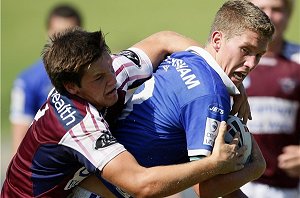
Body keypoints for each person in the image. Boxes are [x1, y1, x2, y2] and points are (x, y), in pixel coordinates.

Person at [1, 28, 248, 197]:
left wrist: (224, 80)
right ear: (72, 87)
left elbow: (165, 39)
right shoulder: (79, 126)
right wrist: (214, 164)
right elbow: (141, 184)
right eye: (99, 77)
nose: (112, 80)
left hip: (77, 184)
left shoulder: (108, 72)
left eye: (108, 66)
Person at [75, 0, 275, 197]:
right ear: (217, 40)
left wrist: (236, 85)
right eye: (245, 50)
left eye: (258, 55)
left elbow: (166, 37)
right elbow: (204, 189)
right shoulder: (210, 96)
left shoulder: (187, 56)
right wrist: (256, 167)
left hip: (87, 184)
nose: (251, 63)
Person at [240, 0, 300, 197]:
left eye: (277, 9)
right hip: (231, 185)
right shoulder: (227, 58)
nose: (268, 16)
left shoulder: (297, 61)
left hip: (286, 189)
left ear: (288, 15)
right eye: (261, 9)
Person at [9, 4, 82, 155]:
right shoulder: (27, 81)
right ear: (47, 33)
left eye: (69, 35)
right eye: (57, 34)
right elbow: (19, 143)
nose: (63, 43)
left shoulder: (94, 75)